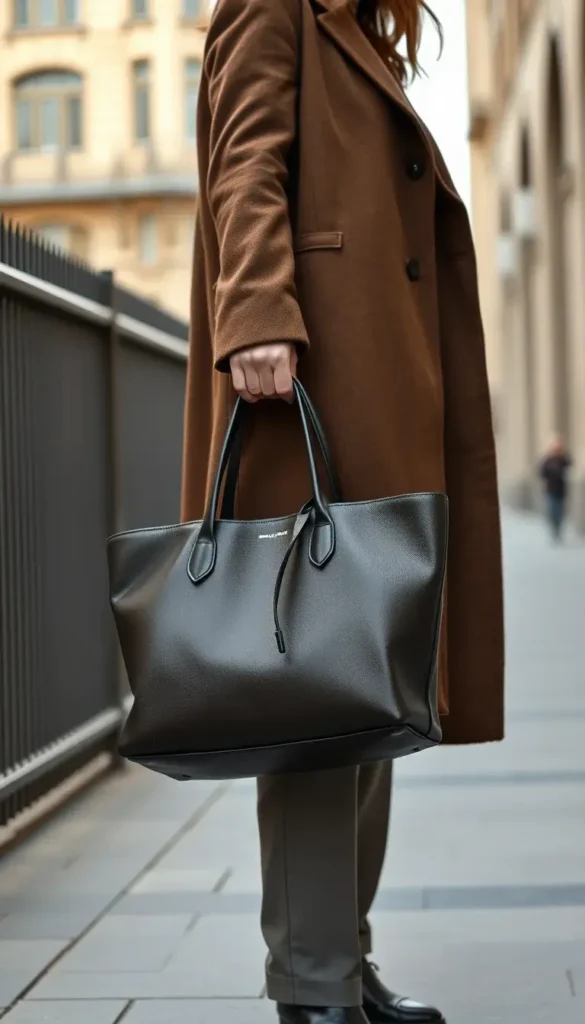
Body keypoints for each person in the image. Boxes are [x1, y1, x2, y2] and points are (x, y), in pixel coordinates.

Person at [181, 2, 505, 1022]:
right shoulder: (276, 6)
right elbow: (243, 161)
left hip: (374, 405)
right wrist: (260, 310)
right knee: (319, 704)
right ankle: (313, 987)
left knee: (370, 693)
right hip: (310, 397)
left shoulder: (352, 24)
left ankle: (340, 962)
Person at [539, 436, 572, 542]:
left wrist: (564, 454)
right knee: (552, 511)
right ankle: (553, 530)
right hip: (550, 490)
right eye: (555, 449)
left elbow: (570, 464)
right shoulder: (547, 461)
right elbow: (541, 473)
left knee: (560, 512)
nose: (557, 451)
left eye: (558, 449)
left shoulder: (563, 460)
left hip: (561, 490)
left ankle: (558, 530)